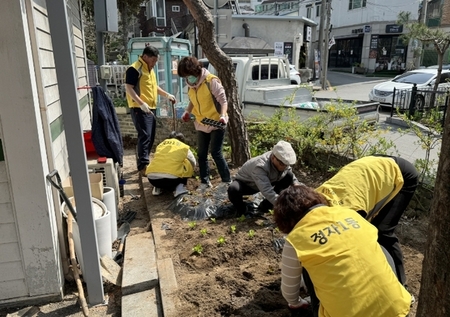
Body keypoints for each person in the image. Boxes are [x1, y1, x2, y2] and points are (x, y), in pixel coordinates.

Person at [274, 185, 412, 317]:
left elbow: (289, 292)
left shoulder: (296, 239)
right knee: (375, 248)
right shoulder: (349, 214)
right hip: (397, 308)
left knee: (307, 263)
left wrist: (297, 303)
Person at [315, 154, 418, 287]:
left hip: (401, 174)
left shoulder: (349, 213)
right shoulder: (315, 197)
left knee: (382, 231)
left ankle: (401, 284)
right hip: (370, 169)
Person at [177, 56, 231, 189]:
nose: (187, 78)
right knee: (201, 153)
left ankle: (226, 180)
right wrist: (187, 112)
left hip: (217, 121)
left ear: (195, 70)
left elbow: (223, 101)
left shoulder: (211, 81)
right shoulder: (191, 85)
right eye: (185, 76)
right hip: (202, 122)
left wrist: (223, 115)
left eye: (188, 75)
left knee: (215, 152)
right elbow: (192, 100)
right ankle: (205, 181)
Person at [125, 45, 176, 175]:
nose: (154, 63)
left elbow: (154, 87)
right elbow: (129, 88)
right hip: (139, 108)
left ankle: (144, 161)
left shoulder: (150, 70)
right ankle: (143, 166)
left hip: (151, 108)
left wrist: (167, 95)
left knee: (151, 136)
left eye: (156, 61)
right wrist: (141, 103)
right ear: (145, 57)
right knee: (145, 136)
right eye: (153, 60)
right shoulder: (135, 69)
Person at [227, 141, 300, 216]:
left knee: (289, 176)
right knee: (233, 189)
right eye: (281, 164)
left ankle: (266, 206)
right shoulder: (260, 166)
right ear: (273, 158)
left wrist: (298, 188)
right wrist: (284, 205)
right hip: (248, 184)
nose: (284, 167)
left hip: (270, 179)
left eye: (286, 165)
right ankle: (242, 210)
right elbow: (266, 190)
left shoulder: (281, 161)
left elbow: (291, 175)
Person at [145, 132, 196, 198]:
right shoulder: (183, 146)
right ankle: (179, 189)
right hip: (171, 180)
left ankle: (157, 188)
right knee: (187, 163)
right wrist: (192, 171)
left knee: (160, 163)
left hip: (152, 179)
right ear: (182, 140)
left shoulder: (161, 145)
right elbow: (193, 162)